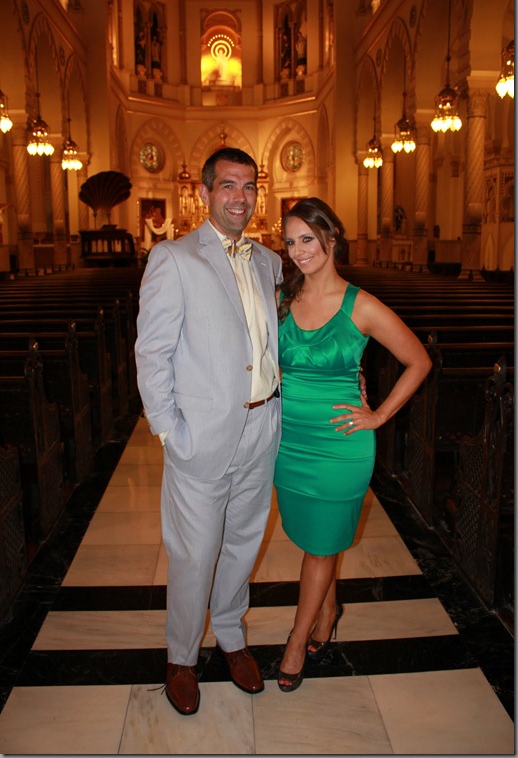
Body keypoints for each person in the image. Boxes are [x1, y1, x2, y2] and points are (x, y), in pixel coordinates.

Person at [135, 147, 283, 716]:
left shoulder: (269, 262)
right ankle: (180, 657)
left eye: (248, 186)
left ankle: (230, 635)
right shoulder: (173, 258)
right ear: (205, 193)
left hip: (262, 425)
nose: (240, 197)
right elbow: (152, 353)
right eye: (228, 185)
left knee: (244, 541)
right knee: (194, 553)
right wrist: (170, 432)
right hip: (201, 435)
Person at [274, 197, 432, 692]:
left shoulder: (360, 305)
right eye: (290, 242)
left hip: (341, 444)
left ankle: (297, 640)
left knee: (320, 548)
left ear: (331, 237)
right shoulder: (282, 298)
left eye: (307, 239)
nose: (298, 250)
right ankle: (329, 611)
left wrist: (379, 415)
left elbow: (419, 361)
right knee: (315, 540)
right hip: (288, 442)